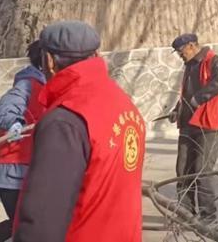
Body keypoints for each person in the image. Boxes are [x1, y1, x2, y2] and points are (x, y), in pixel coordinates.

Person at [12, 21, 146, 242]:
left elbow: (43, 219)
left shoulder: (65, 120)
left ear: (49, 61)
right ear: (96, 54)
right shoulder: (122, 102)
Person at [0, 41, 46, 242]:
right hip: (12, 166)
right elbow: (7, 107)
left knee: (27, 222)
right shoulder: (28, 83)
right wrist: (14, 123)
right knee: (23, 222)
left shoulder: (49, 86)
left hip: (30, 166)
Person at [168, 33, 218, 225]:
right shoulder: (189, 66)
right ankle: (185, 213)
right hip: (188, 124)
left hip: (208, 123)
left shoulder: (213, 60)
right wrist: (177, 110)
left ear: (191, 45)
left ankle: (207, 216)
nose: (180, 55)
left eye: (181, 51)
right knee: (183, 170)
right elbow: (186, 95)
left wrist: (199, 98)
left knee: (201, 171)